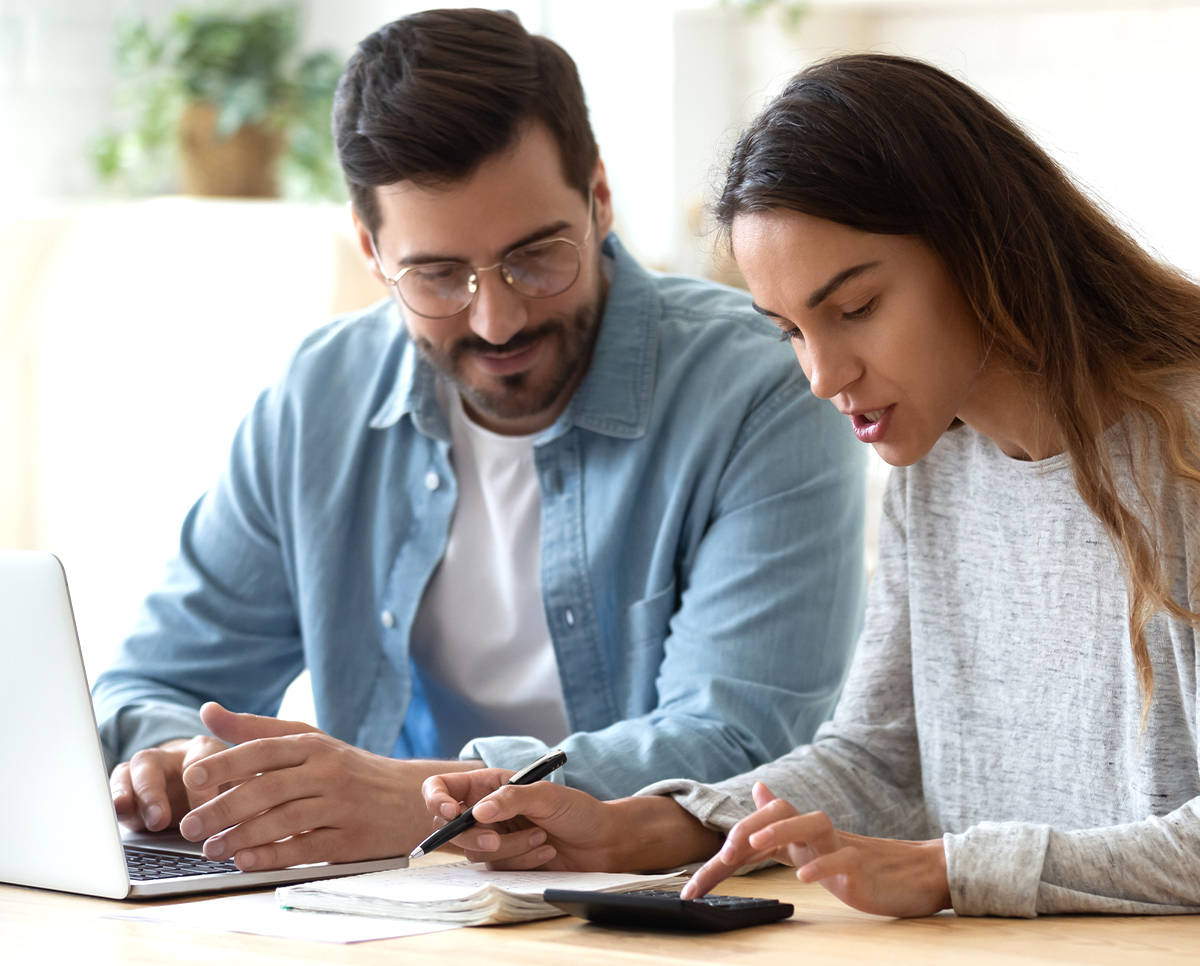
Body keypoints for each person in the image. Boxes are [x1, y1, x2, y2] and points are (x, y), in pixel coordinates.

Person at [420, 52, 1200, 917]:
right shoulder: (937, 460)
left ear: (982, 250)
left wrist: (952, 870)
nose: (823, 376)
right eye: (790, 329)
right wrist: (639, 827)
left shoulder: (1182, 447)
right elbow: (877, 759)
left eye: (856, 308)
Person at [90, 9, 866, 871]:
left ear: (600, 197)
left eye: (536, 257)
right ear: (371, 248)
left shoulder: (762, 388)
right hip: (380, 907)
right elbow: (151, 683)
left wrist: (413, 798)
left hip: (647, 902)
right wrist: (182, 765)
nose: (496, 318)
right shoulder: (321, 396)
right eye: (437, 275)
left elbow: (740, 742)